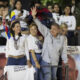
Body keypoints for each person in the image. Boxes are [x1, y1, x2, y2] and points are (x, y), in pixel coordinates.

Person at [31, 7, 68, 80]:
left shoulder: (62, 38)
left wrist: (65, 61)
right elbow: (40, 25)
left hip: (55, 62)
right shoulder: (47, 32)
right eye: (51, 28)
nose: (52, 30)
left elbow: (63, 51)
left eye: (54, 29)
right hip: (45, 60)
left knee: (54, 77)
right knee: (48, 77)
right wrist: (34, 17)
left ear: (58, 30)